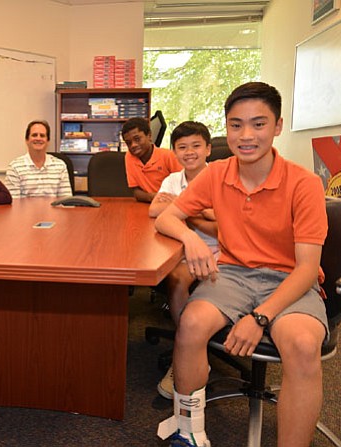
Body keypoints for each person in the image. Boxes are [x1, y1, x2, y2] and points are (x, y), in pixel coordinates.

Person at [154, 82, 328, 447]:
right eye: (236, 125)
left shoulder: (304, 183)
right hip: (232, 274)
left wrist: (259, 317)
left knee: (302, 345)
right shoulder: (217, 173)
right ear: (227, 128)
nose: (246, 135)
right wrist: (188, 238)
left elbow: (307, 268)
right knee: (191, 323)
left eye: (258, 124)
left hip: (289, 277)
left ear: (278, 126)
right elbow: (166, 217)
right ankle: (188, 430)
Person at [148, 121, 218, 401]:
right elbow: (155, 210)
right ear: (175, 152)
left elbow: (222, 225)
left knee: (185, 282)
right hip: (180, 250)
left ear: (208, 149)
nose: (189, 153)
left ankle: (190, 352)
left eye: (196, 146)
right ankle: (186, 348)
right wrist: (202, 212)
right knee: (175, 279)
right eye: (182, 147)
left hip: (221, 251)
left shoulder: (221, 177)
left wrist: (180, 208)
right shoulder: (172, 180)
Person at [4, 120, 72, 198]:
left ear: (48, 141)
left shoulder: (60, 166)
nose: (38, 138)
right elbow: (13, 203)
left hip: (53, 210)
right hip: (25, 210)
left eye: (42, 135)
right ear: (27, 140)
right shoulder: (15, 167)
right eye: (34, 135)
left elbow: (66, 201)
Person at [122, 117, 181, 203]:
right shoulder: (129, 156)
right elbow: (136, 192)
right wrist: (153, 197)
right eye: (128, 143)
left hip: (172, 204)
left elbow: (185, 187)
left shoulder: (168, 156)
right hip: (148, 204)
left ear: (149, 136)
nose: (133, 145)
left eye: (137, 139)